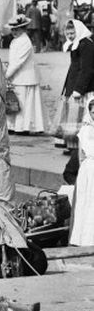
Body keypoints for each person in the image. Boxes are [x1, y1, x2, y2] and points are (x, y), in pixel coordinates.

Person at [4, 15, 45, 134]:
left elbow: (18, 62)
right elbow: (13, 61)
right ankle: (13, 125)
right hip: (17, 76)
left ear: (23, 29)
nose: (14, 32)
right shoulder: (15, 41)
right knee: (15, 100)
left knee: (23, 102)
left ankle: (24, 126)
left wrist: (6, 75)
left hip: (25, 76)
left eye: (17, 29)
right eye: (13, 29)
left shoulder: (25, 41)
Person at [61, 20, 94, 151]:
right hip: (75, 86)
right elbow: (73, 69)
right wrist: (66, 88)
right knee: (74, 118)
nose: (70, 35)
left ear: (79, 30)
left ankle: (81, 147)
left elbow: (87, 69)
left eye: (72, 32)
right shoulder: (76, 44)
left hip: (84, 89)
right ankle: (73, 146)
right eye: (68, 33)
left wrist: (79, 89)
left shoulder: (86, 45)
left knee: (82, 118)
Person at [69, 98, 94, 246]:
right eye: (93, 112)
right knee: (86, 203)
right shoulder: (84, 131)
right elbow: (80, 156)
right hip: (89, 170)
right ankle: (84, 238)